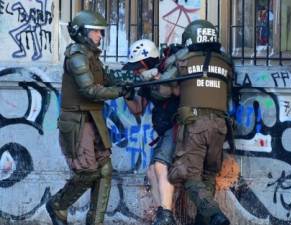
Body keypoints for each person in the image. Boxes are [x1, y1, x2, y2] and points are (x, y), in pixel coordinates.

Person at [46, 10, 133, 225]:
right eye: (96, 31)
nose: (100, 36)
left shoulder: (92, 56)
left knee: (104, 169)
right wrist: (120, 92)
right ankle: (58, 204)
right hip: (78, 121)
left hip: (94, 119)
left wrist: (132, 79)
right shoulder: (76, 55)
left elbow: (107, 77)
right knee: (87, 172)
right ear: (82, 32)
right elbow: (90, 91)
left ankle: (96, 221)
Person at [167, 20, 233, 225]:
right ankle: (202, 222)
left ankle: (215, 215)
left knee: (190, 177)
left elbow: (163, 89)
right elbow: (228, 91)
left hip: (195, 124)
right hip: (221, 125)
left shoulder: (184, 59)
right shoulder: (225, 61)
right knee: (209, 175)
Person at [122, 39, 184, 225]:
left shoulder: (168, 71)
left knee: (159, 166)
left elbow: (176, 92)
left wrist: (156, 78)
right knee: (151, 171)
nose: (136, 71)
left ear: (146, 61)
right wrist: (125, 91)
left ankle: (166, 216)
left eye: (137, 67)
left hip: (177, 126)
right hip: (164, 129)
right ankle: (164, 215)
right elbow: (137, 108)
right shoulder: (146, 79)